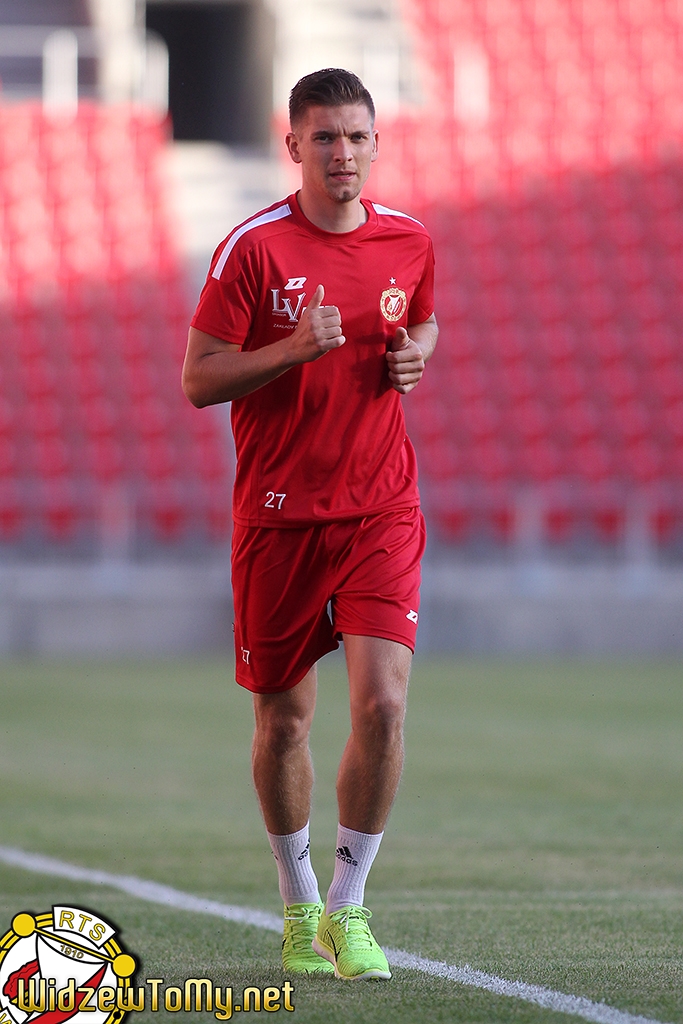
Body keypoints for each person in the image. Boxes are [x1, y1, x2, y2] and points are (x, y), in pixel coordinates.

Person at [182, 68, 438, 981]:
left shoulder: (409, 239)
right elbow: (198, 378)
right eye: (324, 137)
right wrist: (292, 348)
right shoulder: (251, 249)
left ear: (376, 144)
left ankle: (347, 906)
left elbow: (425, 324)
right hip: (280, 517)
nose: (342, 153)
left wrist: (414, 357)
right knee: (284, 723)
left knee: (384, 704)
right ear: (292, 145)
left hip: (380, 507)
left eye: (357, 137)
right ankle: (297, 909)